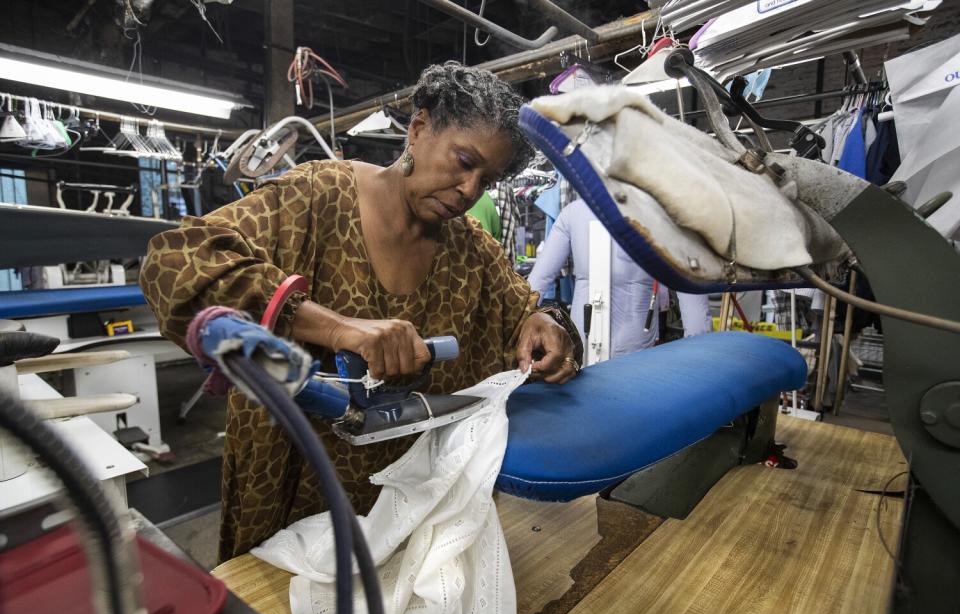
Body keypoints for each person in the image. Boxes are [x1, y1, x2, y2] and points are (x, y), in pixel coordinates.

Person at [139, 61, 581, 561]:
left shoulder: (471, 249)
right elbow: (175, 262)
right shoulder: (313, 199)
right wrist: (337, 328)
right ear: (417, 130)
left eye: (487, 179)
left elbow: (523, 315)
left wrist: (549, 325)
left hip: (417, 508)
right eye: (463, 161)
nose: (469, 190)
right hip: (298, 494)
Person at [527, 199, 711, 357]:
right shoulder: (659, 214)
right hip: (633, 344)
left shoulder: (574, 212)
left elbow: (538, 282)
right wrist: (699, 358)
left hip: (588, 340)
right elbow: (692, 298)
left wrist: (514, 336)